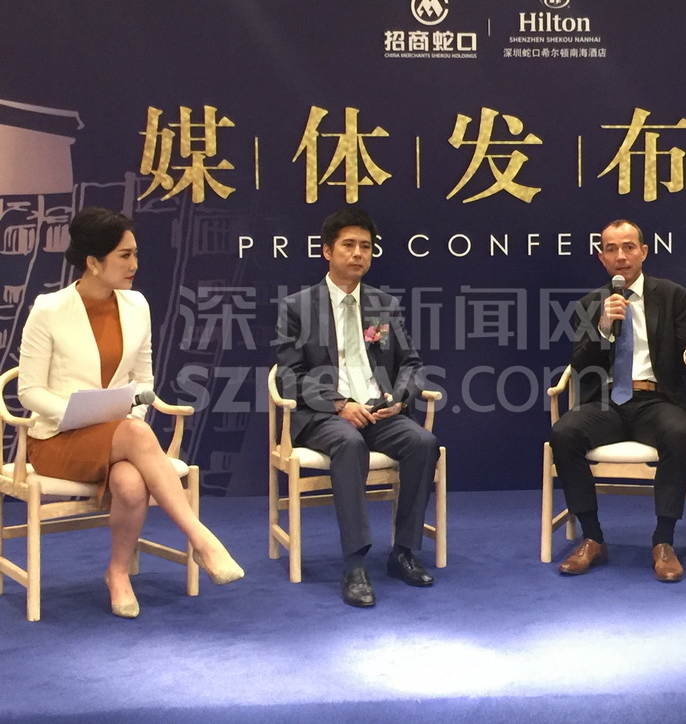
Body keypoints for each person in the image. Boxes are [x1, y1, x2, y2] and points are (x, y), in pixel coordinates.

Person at [17, 207, 244, 619]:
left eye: (135, 254)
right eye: (124, 255)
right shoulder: (48, 309)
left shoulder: (137, 305)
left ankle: (118, 573)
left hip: (118, 435)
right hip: (57, 439)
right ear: (93, 262)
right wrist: (77, 413)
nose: (135, 264)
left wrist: (125, 413)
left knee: (131, 482)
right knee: (136, 436)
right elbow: (29, 391)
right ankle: (202, 538)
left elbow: (143, 383)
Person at [275, 208, 439, 608]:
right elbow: (290, 376)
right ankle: (354, 564)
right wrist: (338, 404)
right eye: (348, 245)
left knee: (423, 442)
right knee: (350, 444)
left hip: (378, 411)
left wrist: (399, 397)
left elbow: (411, 364)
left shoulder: (385, 305)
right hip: (325, 415)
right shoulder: (298, 306)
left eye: (365, 246)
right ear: (327, 251)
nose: (358, 254)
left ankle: (403, 552)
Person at [549, 219, 686, 582]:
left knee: (677, 433)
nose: (620, 256)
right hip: (606, 401)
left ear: (643, 252)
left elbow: (684, 354)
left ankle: (663, 541)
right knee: (564, 433)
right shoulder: (590, 304)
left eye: (628, 247)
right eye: (611, 249)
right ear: (601, 257)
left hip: (655, 399)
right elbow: (580, 366)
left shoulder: (672, 295)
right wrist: (603, 328)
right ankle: (592, 537)